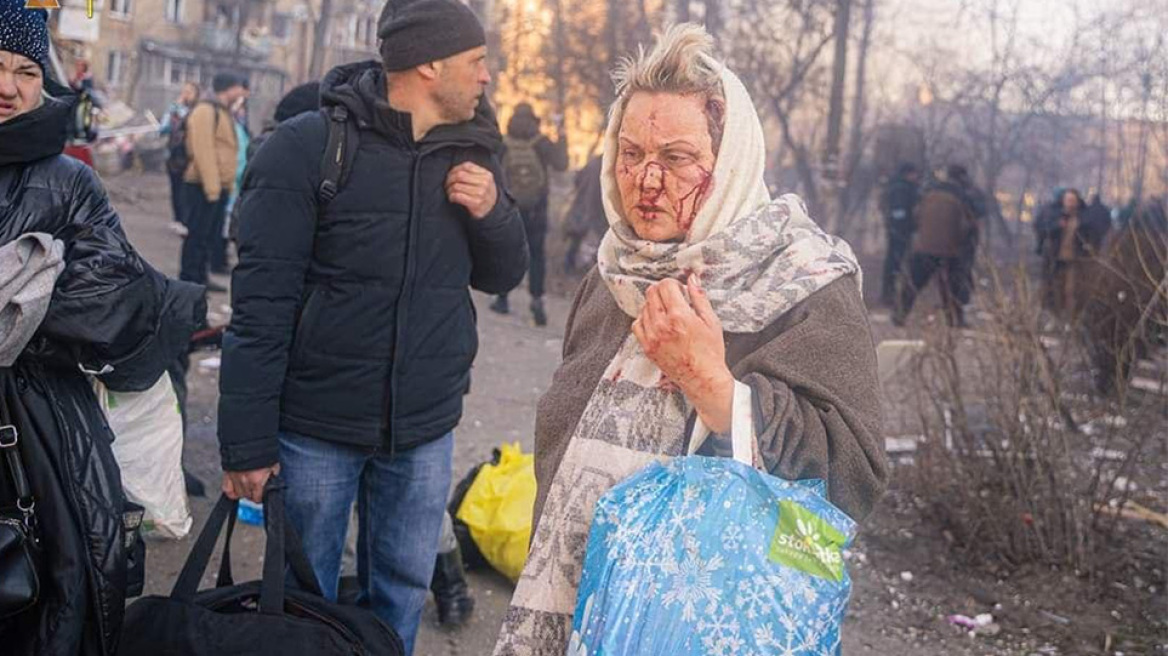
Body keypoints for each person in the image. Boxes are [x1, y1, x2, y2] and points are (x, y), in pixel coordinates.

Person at [495, 24, 887, 655]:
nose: (646, 180)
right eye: (630, 153)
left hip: (707, 630)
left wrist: (715, 387)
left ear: (729, 162)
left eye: (676, 158)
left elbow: (855, 479)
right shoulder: (615, 273)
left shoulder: (806, 285)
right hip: (575, 613)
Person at [216, 0, 528, 651]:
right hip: (317, 430)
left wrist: (494, 211)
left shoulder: (473, 153)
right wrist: (246, 443)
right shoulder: (308, 147)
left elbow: (503, 277)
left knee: (402, 592)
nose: (485, 78)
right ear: (429, 63)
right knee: (305, 599)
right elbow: (261, 302)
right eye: (476, 62)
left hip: (422, 430)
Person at [0, 3, 204, 652]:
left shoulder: (69, 183)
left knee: (49, 590)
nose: (9, 85)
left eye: (27, 70)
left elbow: (115, 303)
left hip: (37, 429)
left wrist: (22, 312)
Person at [489, 102, 568, 326]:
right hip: (537, 209)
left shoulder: (504, 142)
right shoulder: (541, 142)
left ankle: (502, 298)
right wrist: (561, 136)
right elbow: (562, 165)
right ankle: (537, 302)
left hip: (509, 207)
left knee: (507, 249)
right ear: (534, 118)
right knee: (537, 255)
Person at [179, 72, 245, 291]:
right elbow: (203, 150)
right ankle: (189, 279)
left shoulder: (222, 111)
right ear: (230, 88)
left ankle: (201, 278)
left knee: (208, 237)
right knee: (197, 236)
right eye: (240, 88)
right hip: (203, 185)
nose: (243, 93)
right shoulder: (205, 111)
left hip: (218, 187)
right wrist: (212, 187)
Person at [893, 167, 978, 327]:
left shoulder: (928, 194)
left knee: (913, 284)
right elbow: (967, 225)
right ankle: (954, 319)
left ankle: (899, 315)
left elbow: (916, 217)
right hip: (950, 250)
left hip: (924, 247)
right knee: (952, 288)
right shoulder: (962, 197)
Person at [1039, 188, 1108, 320]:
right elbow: (1043, 230)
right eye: (1067, 200)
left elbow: (1094, 234)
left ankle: (1071, 320)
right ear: (1063, 201)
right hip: (1055, 259)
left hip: (1076, 260)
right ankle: (1055, 317)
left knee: (1072, 290)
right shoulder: (1055, 214)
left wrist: (1089, 248)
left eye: (1072, 200)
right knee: (1053, 289)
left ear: (1077, 201)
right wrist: (1057, 225)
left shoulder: (1084, 217)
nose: (1070, 203)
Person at [160, 81, 200, 235]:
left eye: (190, 91)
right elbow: (163, 129)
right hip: (174, 154)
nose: (186, 94)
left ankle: (185, 219)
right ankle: (177, 218)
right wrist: (173, 111)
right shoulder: (174, 109)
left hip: (189, 155)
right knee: (175, 187)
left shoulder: (197, 111)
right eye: (184, 91)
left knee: (186, 189)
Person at [879, 162, 921, 306]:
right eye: (914, 174)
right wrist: (901, 228)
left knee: (895, 263)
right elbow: (899, 211)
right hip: (899, 231)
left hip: (898, 230)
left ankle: (891, 295)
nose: (916, 177)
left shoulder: (898, 186)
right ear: (908, 174)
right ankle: (888, 296)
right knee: (894, 263)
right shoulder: (901, 189)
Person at [563, 153, 606, 274]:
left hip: (583, 206)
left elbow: (577, 180)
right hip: (599, 209)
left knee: (577, 238)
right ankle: (585, 269)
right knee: (597, 241)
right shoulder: (611, 166)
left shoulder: (593, 162)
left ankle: (569, 267)